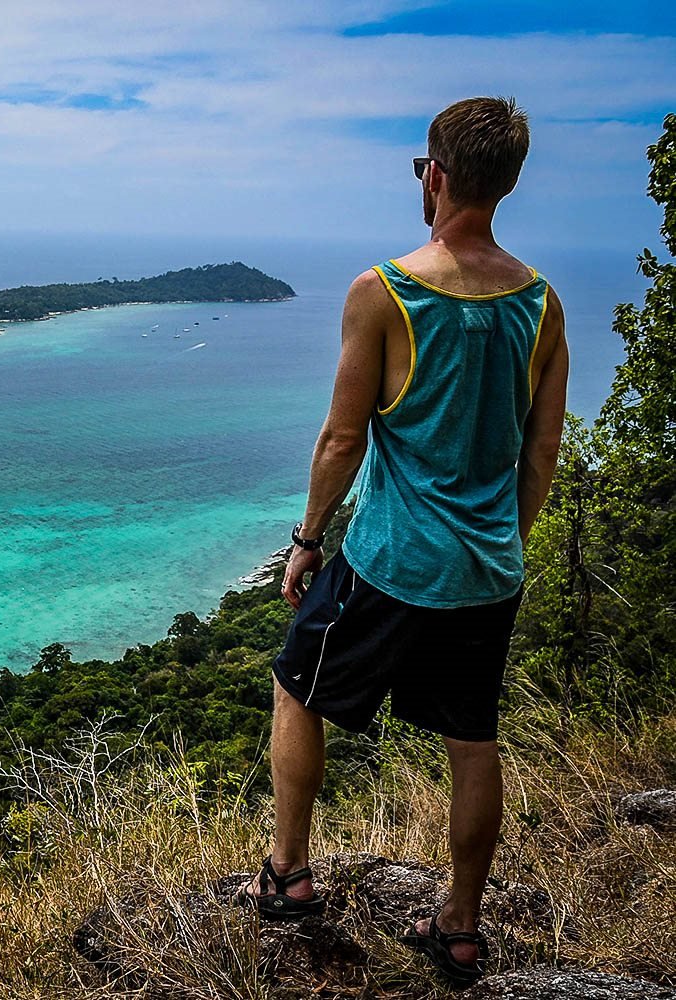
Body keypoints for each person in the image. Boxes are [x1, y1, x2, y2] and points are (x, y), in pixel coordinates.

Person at [234, 96, 568, 985]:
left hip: (391, 562)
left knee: (296, 684)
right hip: (488, 569)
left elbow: (343, 440)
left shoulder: (385, 292)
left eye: (423, 166)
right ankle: (459, 928)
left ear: (438, 174)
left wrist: (306, 540)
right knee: (471, 739)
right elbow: (541, 451)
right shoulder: (540, 304)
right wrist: (502, 544)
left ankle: (289, 874)